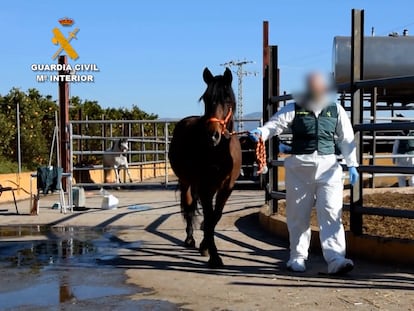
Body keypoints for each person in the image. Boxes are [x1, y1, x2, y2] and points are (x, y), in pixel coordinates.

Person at [250, 72, 359, 275]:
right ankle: (297, 257)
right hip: (299, 169)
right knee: (298, 214)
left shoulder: (336, 110)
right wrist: (262, 133)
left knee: (331, 213)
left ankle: (336, 259)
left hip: (329, 169)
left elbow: (346, 138)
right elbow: (276, 124)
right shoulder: (294, 108)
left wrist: (352, 164)